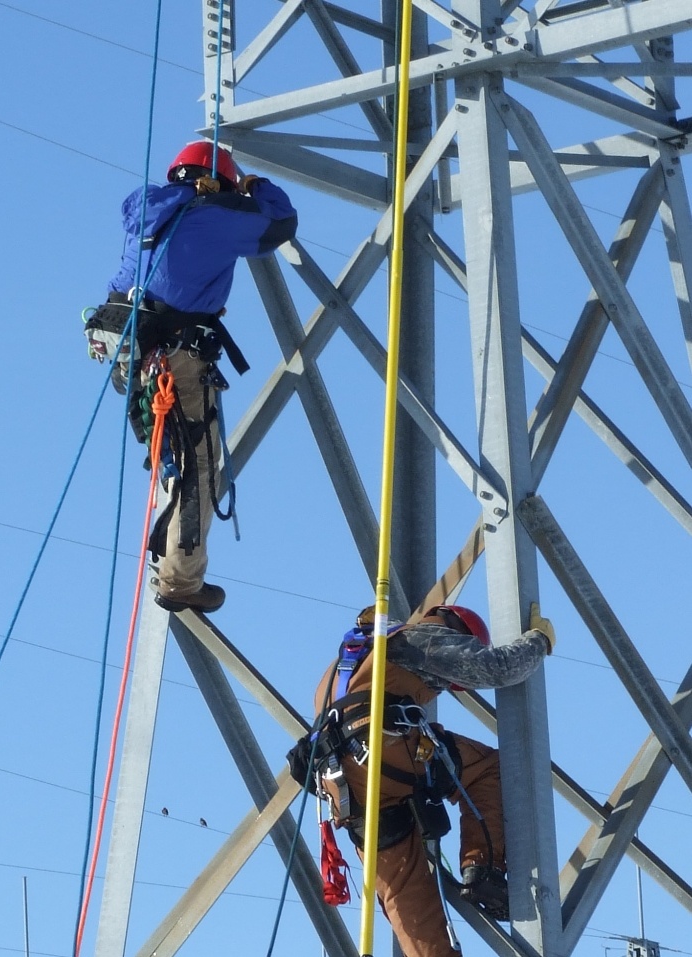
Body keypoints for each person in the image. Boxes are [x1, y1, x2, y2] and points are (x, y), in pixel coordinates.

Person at [102, 140, 297, 613]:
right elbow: (280, 224)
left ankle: (168, 549)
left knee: (181, 455)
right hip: (177, 357)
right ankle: (180, 580)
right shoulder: (214, 217)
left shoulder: (148, 212)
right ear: (221, 183)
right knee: (201, 466)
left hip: (133, 352)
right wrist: (257, 188)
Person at [309, 601, 556, 957]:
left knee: (410, 908)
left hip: (347, 792)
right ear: (457, 628)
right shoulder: (424, 637)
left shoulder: (345, 663)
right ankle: (482, 867)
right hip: (386, 752)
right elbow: (498, 668)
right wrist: (538, 642)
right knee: (488, 767)